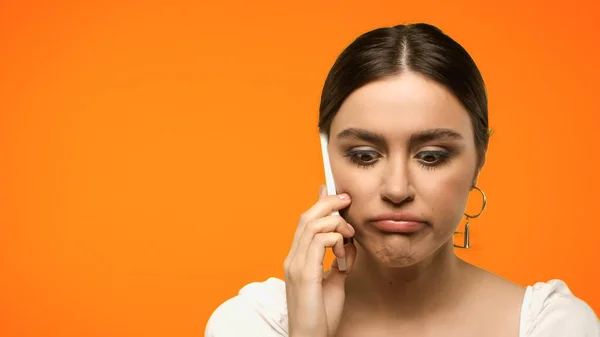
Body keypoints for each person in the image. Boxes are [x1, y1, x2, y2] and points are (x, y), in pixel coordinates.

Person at [204, 23, 600, 337]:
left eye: (431, 156)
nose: (396, 189)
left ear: (480, 158)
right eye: (364, 156)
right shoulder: (252, 325)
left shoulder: (556, 327)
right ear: (327, 158)